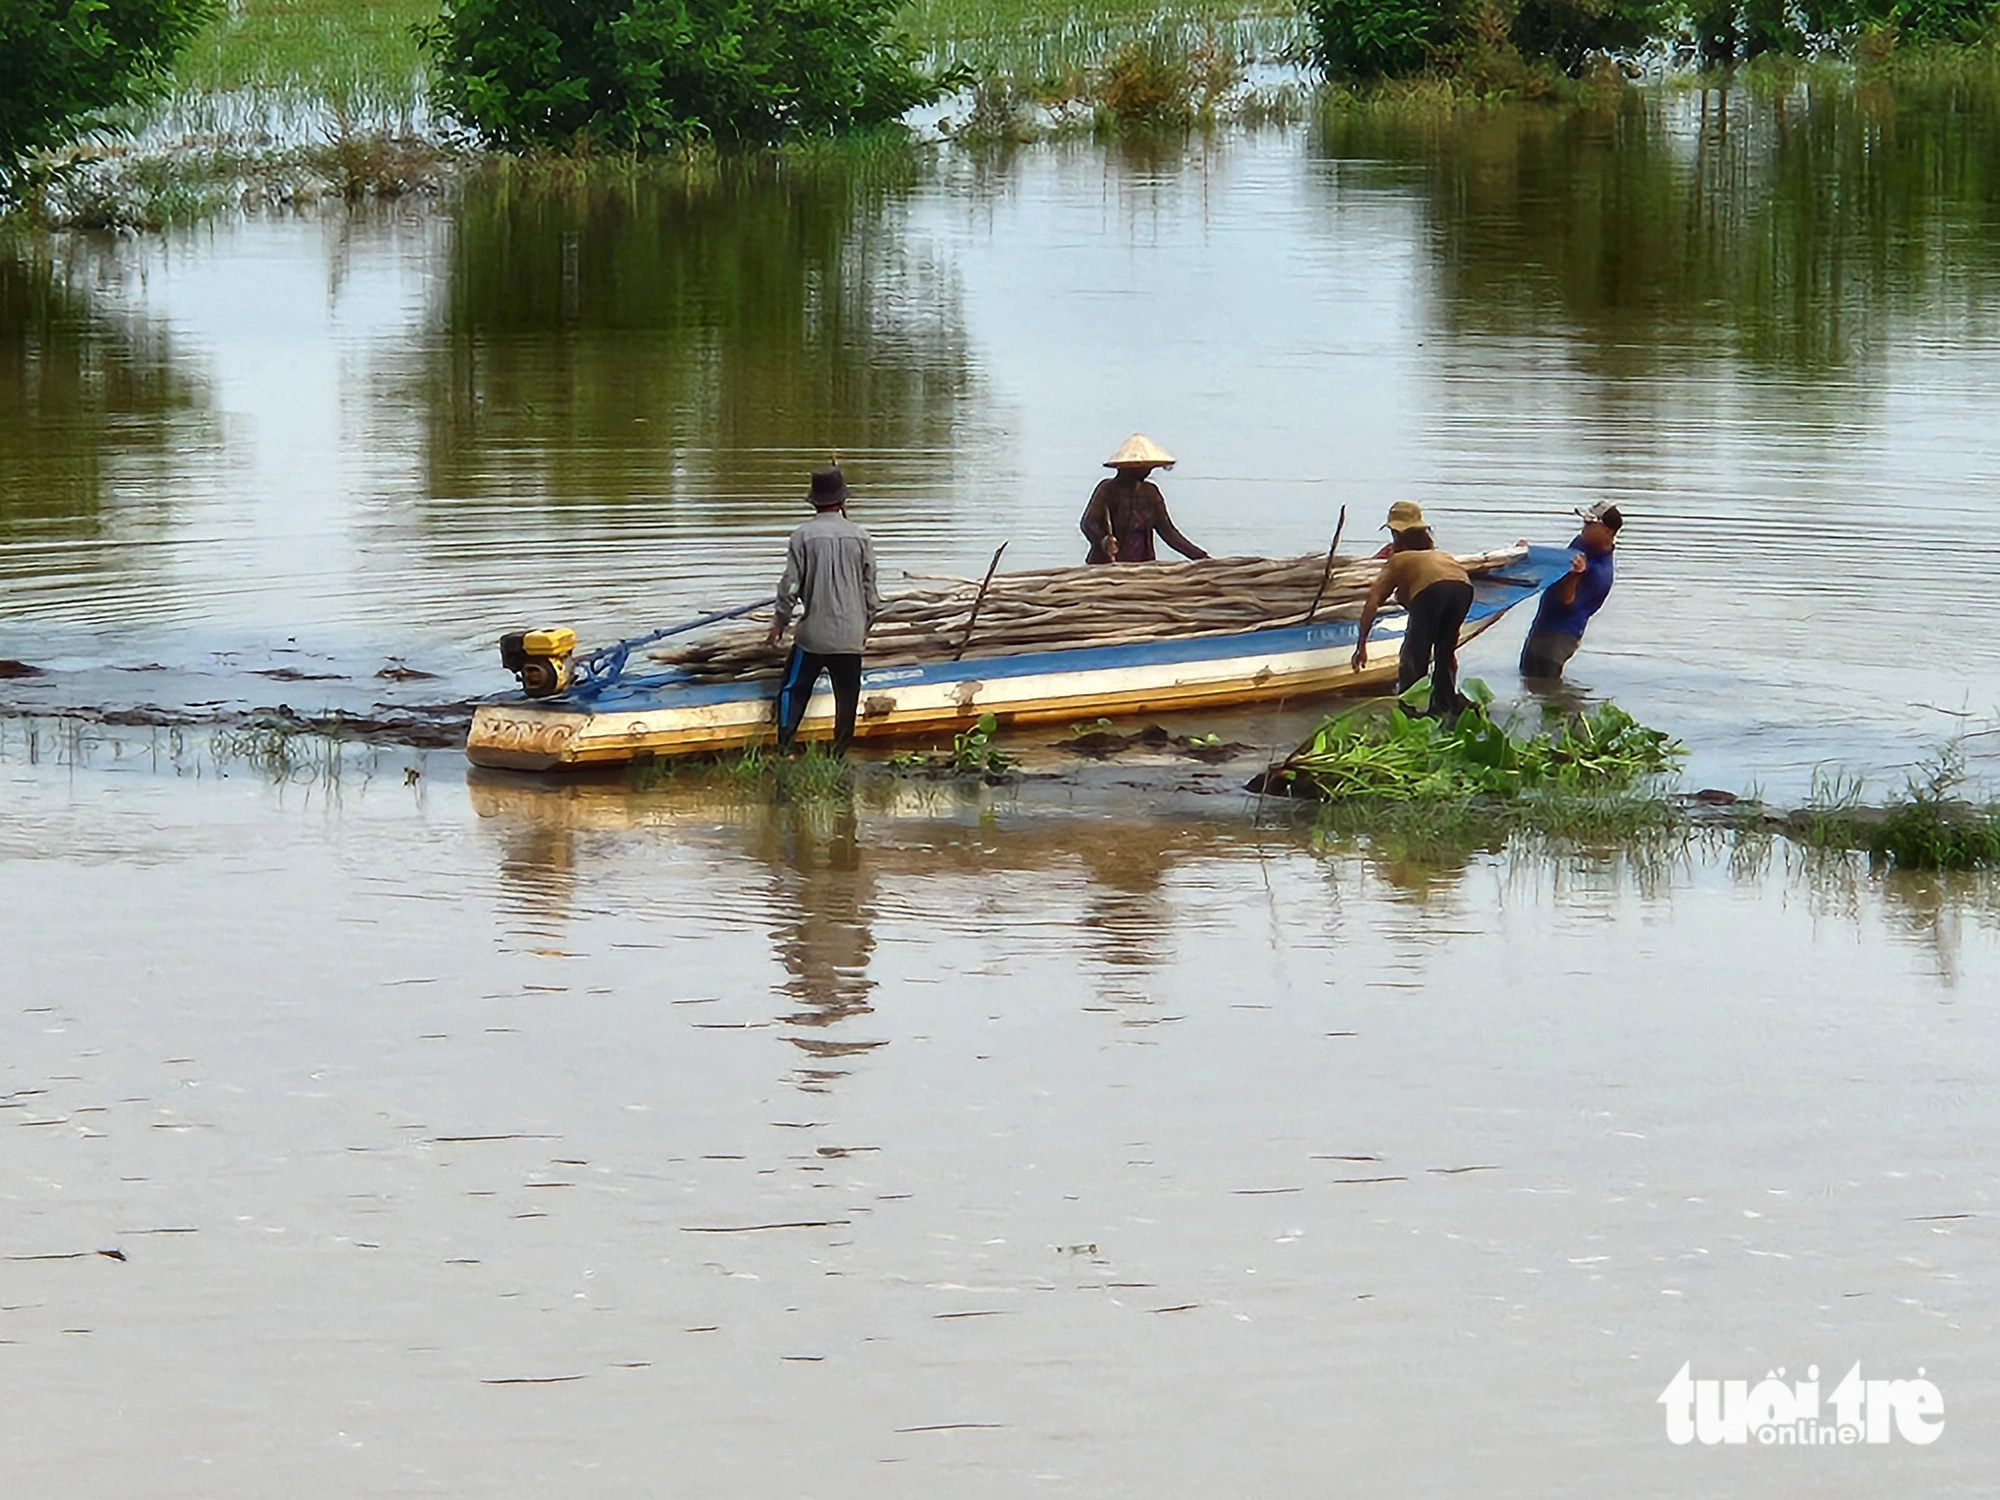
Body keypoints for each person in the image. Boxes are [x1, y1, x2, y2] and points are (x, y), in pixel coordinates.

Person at [765, 466, 882, 755]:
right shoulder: (861, 536)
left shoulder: (802, 536)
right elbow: (871, 592)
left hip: (814, 636)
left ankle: (786, 748)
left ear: (814, 502)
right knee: (847, 697)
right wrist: (865, 627)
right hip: (850, 636)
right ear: (843, 502)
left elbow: (791, 587)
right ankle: (839, 753)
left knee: (793, 689)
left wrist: (779, 622)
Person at [1351, 501, 1474, 715]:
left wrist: (1361, 645)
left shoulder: (1398, 559)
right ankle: (1444, 707)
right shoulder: (1440, 555)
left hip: (1433, 592)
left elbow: (1373, 601)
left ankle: (1409, 712)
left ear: (1396, 534)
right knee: (1445, 652)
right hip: (1463, 589)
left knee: (1414, 654)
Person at [1520, 502, 1621, 680]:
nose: (1584, 527)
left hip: (1560, 635)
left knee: (1545, 683)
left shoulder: (1600, 573)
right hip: (1542, 624)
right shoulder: (1581, 543)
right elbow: (1558, 562)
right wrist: (1530, 552)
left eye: (1591, 524)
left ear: (1608, 532)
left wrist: (1573, 577)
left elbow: (1567, 604)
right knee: (1527, 678)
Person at [1079, 434, 1210, 564]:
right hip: (1109, 563)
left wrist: (1200, 557)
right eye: (1143, 467)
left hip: (1143, 562)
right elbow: (1088, 523)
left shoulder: (1150, 492)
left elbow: (1168, 532)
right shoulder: (1108, 489)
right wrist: (1105, 540)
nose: (1148, 471)